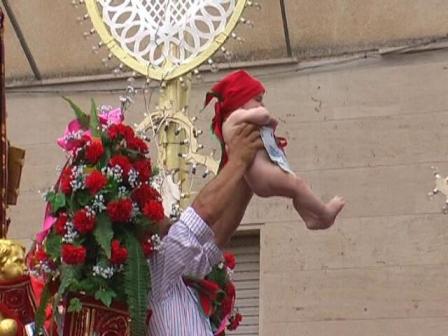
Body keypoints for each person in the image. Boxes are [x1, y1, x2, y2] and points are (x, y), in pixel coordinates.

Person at [147, 123, 263, 336]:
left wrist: (248, 176)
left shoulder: (175, 276)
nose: (165, 214)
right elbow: (203, 213)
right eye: (153, 204)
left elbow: (218, 235)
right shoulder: (155, 269)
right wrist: (239, 161)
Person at [207, 70, 345, 230]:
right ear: (240, 100)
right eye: (258, 100)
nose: (262, 105)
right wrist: (268, 118)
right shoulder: (233, 119)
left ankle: (309, 217)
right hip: (262, 174)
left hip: (264, 172)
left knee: (297, 189)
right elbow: (264, 115)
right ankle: (324, 213)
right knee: (298, 185)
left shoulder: (242, 119)